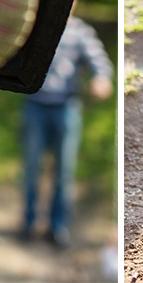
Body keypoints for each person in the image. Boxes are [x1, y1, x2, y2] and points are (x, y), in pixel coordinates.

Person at [19, 15, 114, 249]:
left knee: (64, 171)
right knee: (32, 168)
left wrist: (101, 79)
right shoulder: (34, 26)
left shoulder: (81, 31)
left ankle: (57, 227)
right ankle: (28, 223)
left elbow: (100, 63)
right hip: (35, 105)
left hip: (66, 107)